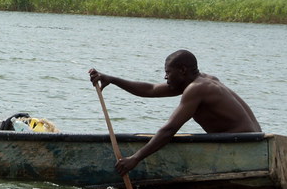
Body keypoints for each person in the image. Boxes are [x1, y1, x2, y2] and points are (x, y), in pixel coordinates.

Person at [89, 50, 261, 176]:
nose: (165, 77)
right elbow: (151, 89)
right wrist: (112, 79)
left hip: (242, 147)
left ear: (182, 70)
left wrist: (135, 158)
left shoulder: (197, 88)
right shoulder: (200, 81)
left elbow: (169, 130)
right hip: (256, 144)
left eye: (168, 72)